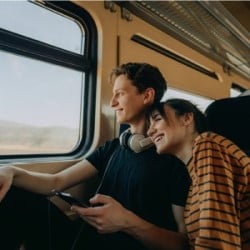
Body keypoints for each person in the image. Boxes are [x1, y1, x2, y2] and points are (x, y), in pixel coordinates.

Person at [0, 63, 191, 250]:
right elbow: (56, 182)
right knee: (14, 195)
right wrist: (12, 172)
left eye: (120, 94)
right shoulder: (113, 148)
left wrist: (127, 222)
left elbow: (184, 243)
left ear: (147, 95)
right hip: (84, 240)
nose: (112, 102)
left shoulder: (172, 160)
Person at [147, 98, 250, 250]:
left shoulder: (207, 144)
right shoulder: (194, 177)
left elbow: (216, 240)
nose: (150, 131)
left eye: (157, 119)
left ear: (187, 118)